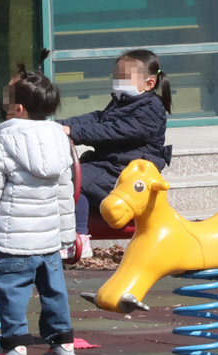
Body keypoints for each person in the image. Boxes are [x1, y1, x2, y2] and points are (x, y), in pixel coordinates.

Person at [0, 58, 77, 355]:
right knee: (54, 293)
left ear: (18, 109)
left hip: (11, 242)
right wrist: (68, 236)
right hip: (49, 240)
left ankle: (14, 350)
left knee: (11, 294)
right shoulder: (61, 141)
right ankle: (63, 346)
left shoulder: (3, 142)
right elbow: (66, 194)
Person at [58, 49, 173, 259]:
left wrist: (72, 132)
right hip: (110, 165)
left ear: (149, 84)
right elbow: (98, 118)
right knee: (69, 172)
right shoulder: (124, 102)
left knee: (77, 179)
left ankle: (79, 239)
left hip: (125, 173)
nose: (119, 81)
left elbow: (113, 131)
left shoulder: (151, 108)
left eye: (125, 77)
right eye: (117, 75)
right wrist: (60, 125)